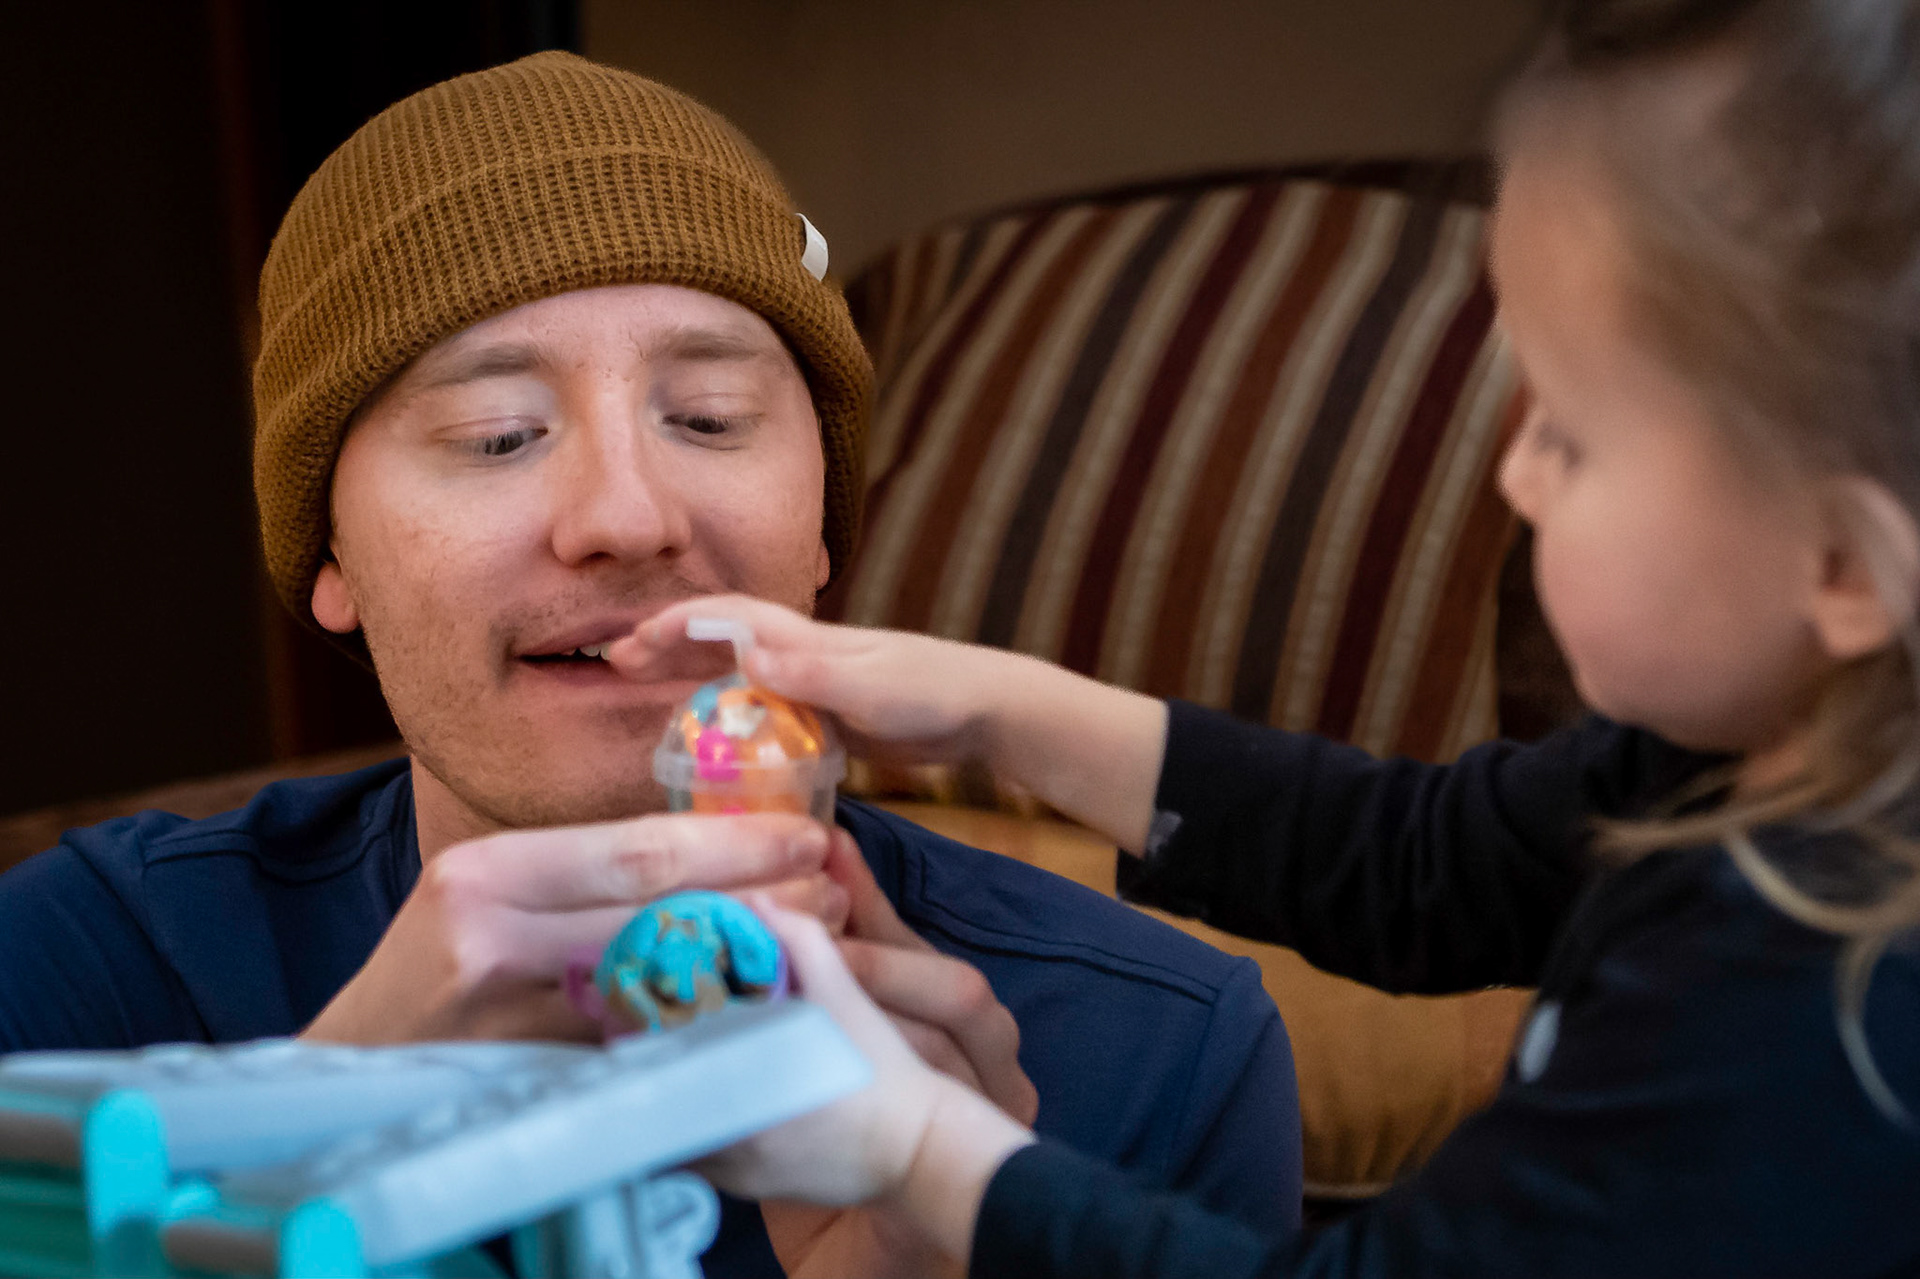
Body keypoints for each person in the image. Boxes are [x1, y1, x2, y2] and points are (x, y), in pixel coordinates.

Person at [632, 1, 1920, 1274]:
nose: (1515, 477)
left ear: (1844, 567)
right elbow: (1418, 863)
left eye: (1569, 435)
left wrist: (920, 1149)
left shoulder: (1806, 1011)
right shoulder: (1732, 761)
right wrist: (993, 710)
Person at [0, 52, 1302, 1277]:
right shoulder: (88, 976)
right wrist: (309, 1150)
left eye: (710, 419)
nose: (628, 516)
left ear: (822, 530)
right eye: (497, 433)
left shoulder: (1158, 1058)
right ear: (329, 553)